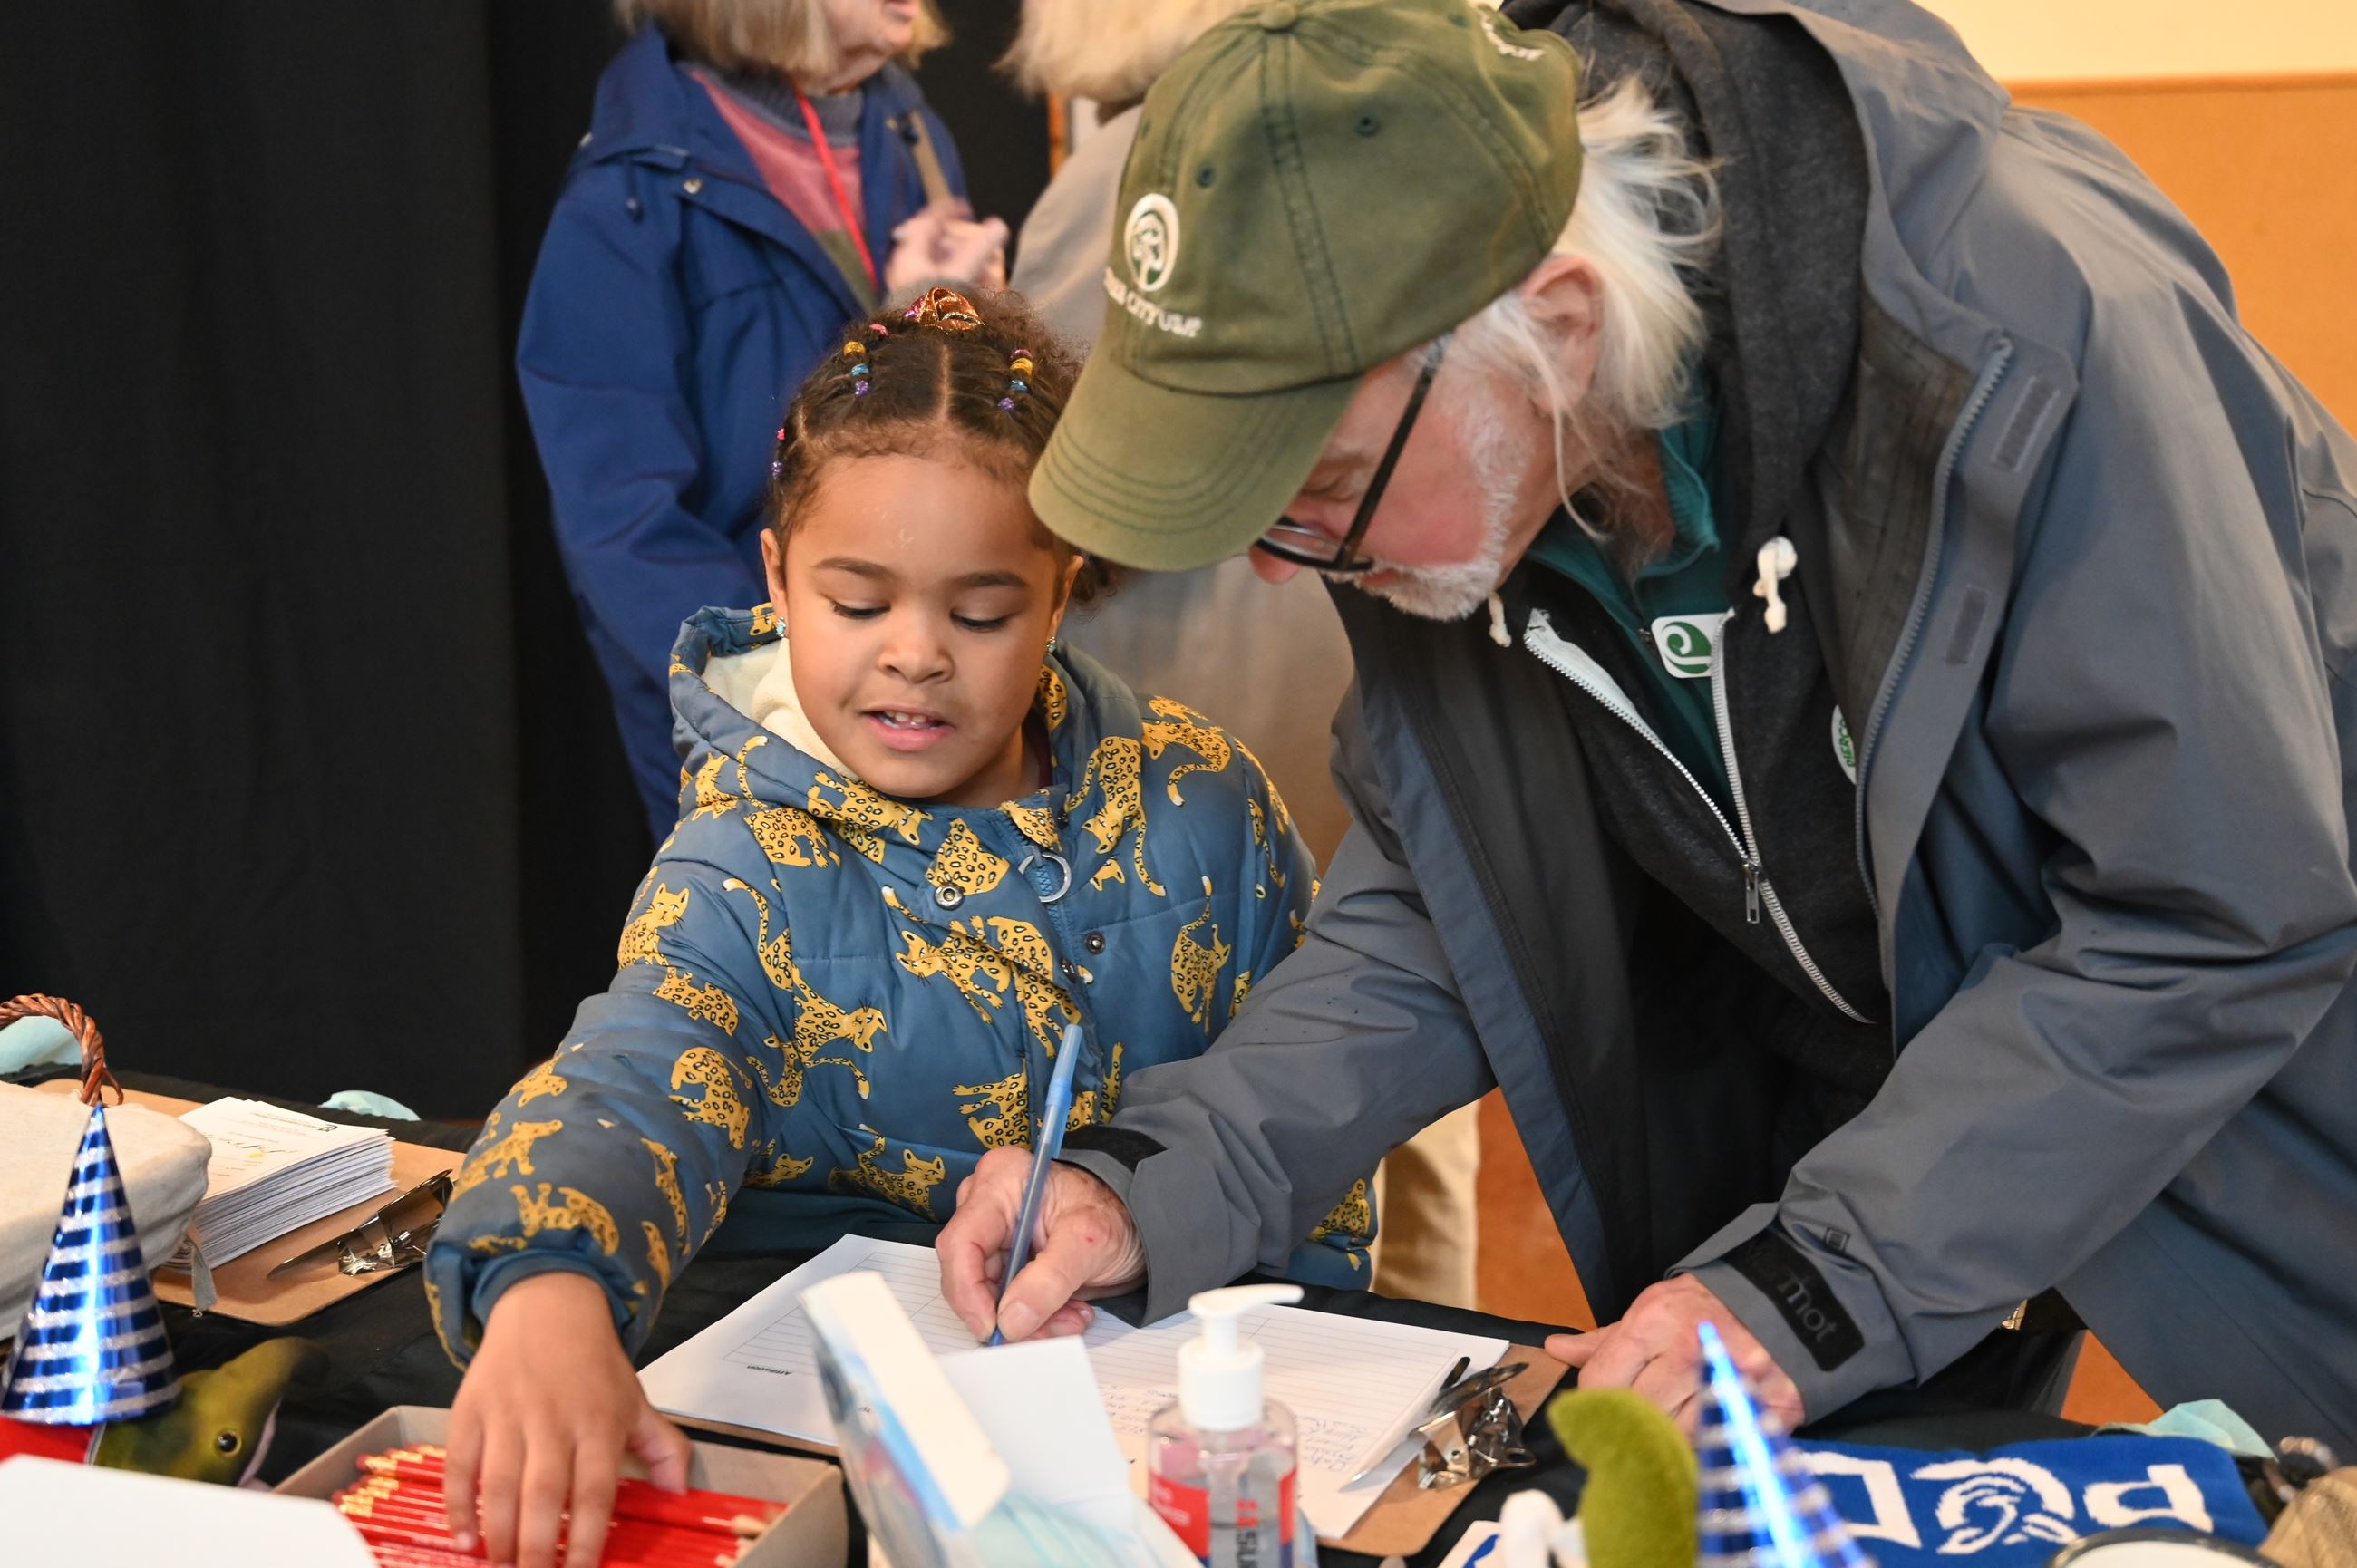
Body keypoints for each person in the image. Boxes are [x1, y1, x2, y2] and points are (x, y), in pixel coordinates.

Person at [938, 0, 2357, 1451]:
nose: (1267, 563)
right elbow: (1437, 916)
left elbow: (2213, 911)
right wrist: (1158, 1175)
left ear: (1558, 324)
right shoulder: (1467, 469)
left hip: (2285, 1107)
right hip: (1910, 1141)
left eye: (1314, 483)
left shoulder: (2036, 328)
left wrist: (1812, 1287)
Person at [428, 288, 1369, 1568]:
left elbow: (1316, 1139)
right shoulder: (745, 862)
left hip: (1182, 1467)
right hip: (846, 1479)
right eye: (858, 603)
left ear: (1063, 588)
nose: (915, 654)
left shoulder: (1208, 805)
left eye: (980, 613)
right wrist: (545, 1283)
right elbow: (634, 1073)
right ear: (775, 577)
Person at [1002, 0, 1485, 1309]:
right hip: (1357, 733)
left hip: (1205, 732)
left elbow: (1052, 488)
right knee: (1409, 1098)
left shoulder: (1114, 193)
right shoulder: (1383, 168)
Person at [520, 0, 1011, 841]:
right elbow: (625, 527)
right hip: (757, 729)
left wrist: (948, 320)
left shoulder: (906, 129)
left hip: (922, 690)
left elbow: (917, 428)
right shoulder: (629, 200)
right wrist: (797, 693)